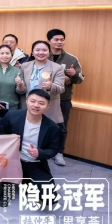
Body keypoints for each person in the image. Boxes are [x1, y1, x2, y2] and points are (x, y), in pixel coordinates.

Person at [1, 89, 60, 206]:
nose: (36, 105)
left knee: (50, 198)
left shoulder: (53, 127)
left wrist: (39, 153)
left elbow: (53, 150)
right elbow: (0, 133)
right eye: (33, 101)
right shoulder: (12, 116)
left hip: (34, 162)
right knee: (6, 192)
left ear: (48, 106)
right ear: (27, 101)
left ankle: (27, 182)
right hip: (12, 160)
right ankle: (8, 188)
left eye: (41, 103)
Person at [47, 29, 85, 166]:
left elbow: (81, 79)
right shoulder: (42, 54)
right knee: (40, 125)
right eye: (56, 39)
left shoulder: (71, 59)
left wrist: (74, 75)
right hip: (42, 97)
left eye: (62, 40)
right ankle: (43, 151)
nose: (59, 42)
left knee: (61, 126)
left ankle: (59, 152)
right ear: (49, 41)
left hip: (63, 98)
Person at [19, 40, 65, 152]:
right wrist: (19, 85)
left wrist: (50, 86)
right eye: (37, 50)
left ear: (49, 52)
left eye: (44, 50)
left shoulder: (57, 68)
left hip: (47, 107)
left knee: (45, 133)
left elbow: (61, 88)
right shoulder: (25, 66)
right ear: (32, 52)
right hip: (28, 105)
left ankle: (49, 153)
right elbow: (21, 88)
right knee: (28, 130)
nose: (41, 52)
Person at [0, 45, 24, 117]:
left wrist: (20, 84)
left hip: (12, 108)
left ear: (11, 56)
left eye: (7, 53)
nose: (5, 56)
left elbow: (21, 91)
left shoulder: (17, 71)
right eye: (2, 53)